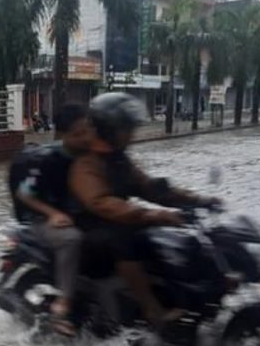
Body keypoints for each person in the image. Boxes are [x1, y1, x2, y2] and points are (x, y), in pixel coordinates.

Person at [69, 93, 220, 332]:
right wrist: (153, 215)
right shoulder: (86, 164)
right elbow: (102, 203)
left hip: (121, 222)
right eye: (125, 128)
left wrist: (198, 200)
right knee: (124, 240)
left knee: (171, 242)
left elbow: (149, 188)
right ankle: (151, 309)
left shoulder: (119, 160)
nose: (131, 134)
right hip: (91, 233)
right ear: (109, 129)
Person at [12, 104, 93, 336]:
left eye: (86, 131)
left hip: (76, 217)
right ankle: (63, 304)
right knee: (71, 239)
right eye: (78, 133)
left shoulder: (90, 156)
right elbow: (24, 194)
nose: (84, 137)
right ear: (62, 135)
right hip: (42, 221)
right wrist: (52, 213)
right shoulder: (48, 159)